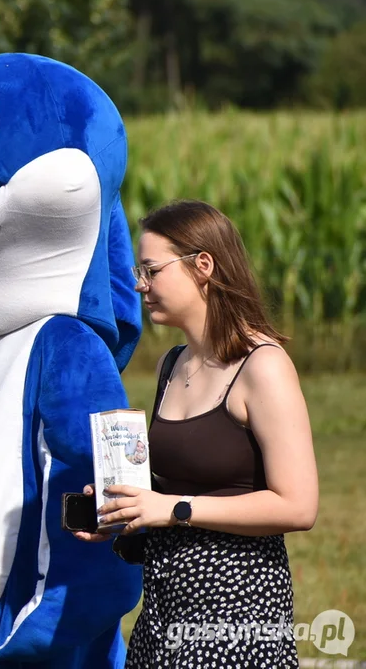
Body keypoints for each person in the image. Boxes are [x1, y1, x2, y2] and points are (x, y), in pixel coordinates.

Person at [73, 199, 318, 667]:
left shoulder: (262, 366)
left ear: (202, 266)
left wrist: (173, 509)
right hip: (162, 613)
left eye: (151, 270)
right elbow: (174, 488)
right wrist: (126, 506)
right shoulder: (172, 364)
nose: (140, 285)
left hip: (236, 617)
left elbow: (299, 505)